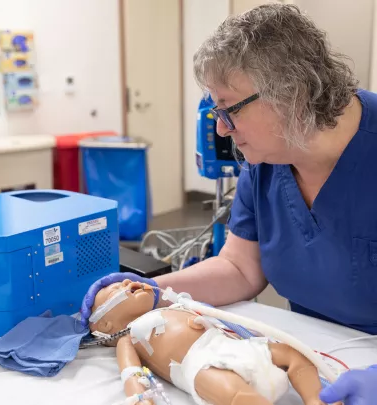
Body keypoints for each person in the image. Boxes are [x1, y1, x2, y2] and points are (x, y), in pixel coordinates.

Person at [81, 4, 376, 404]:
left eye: (228, 109)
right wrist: (152, 291)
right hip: (310, 351)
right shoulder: (268, 159)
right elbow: (240, 268)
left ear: (292, 95)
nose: (221, 128)